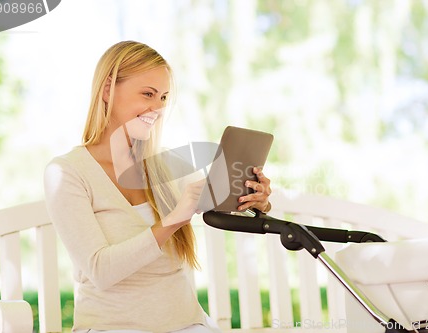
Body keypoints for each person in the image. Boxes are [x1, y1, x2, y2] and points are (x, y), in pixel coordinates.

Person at [43, 40, 272, 333]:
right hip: (112, 326)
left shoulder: (167, 167)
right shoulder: (67, 172)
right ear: (108, 89)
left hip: (186, 324)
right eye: (148, 94)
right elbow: (100, 270)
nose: (158, 107)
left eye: (163, 97)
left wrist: (258, 200)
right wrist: (176, 216)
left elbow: (226, 208)